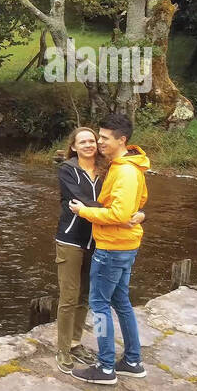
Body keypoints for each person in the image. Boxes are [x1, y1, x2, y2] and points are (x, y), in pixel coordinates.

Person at [53, 127, 146, 373]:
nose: (89, 145)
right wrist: (119, 215)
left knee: (86, 296)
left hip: (99, 241)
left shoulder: (109, 168)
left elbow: (131, 199)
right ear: (73, 147)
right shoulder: (67, 169)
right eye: (82, 142)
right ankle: (62, 349)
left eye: (92, 140)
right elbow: (79, 200)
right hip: (71, 240)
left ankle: (75, 342)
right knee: (69, 297)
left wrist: (139, 213)